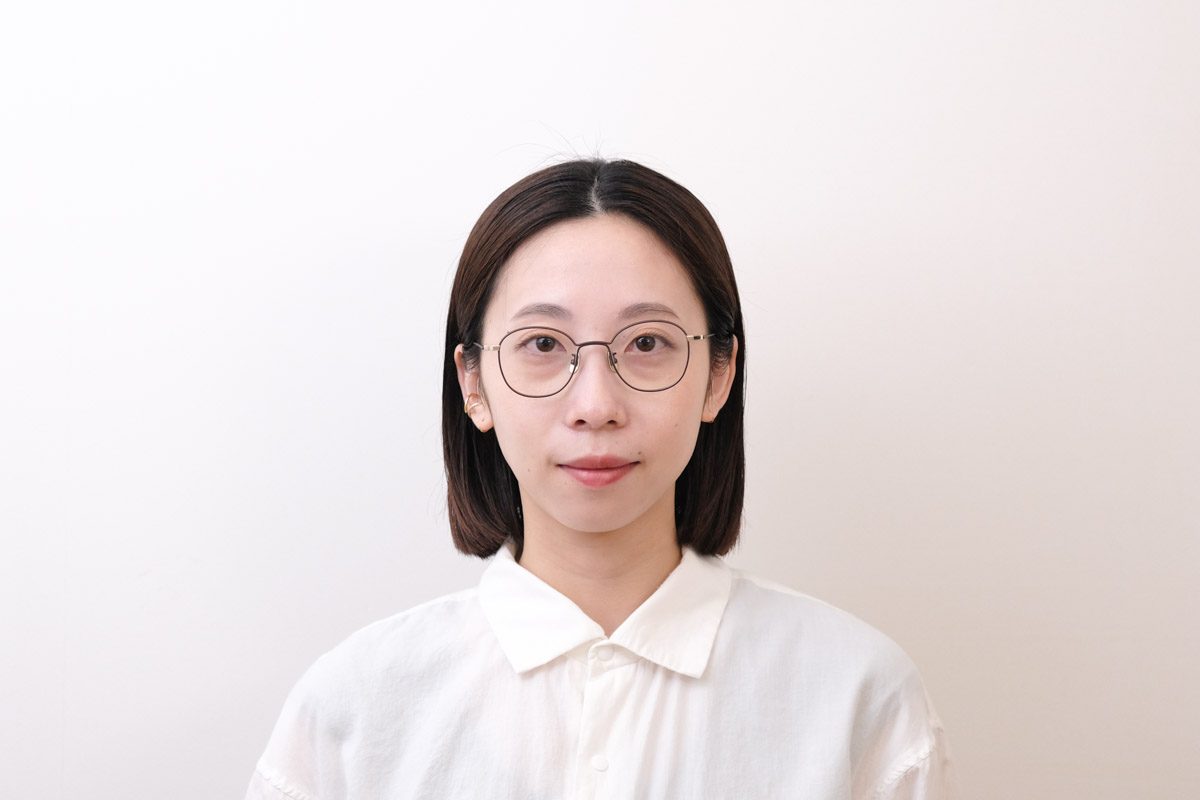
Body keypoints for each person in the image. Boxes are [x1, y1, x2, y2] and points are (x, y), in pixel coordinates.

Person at [246, 159, 954, 799]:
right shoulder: (355, 709)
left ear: (718, 376)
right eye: (542, 344)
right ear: (473, 384)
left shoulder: (858, 696)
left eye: (646, 343)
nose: (595, 406)